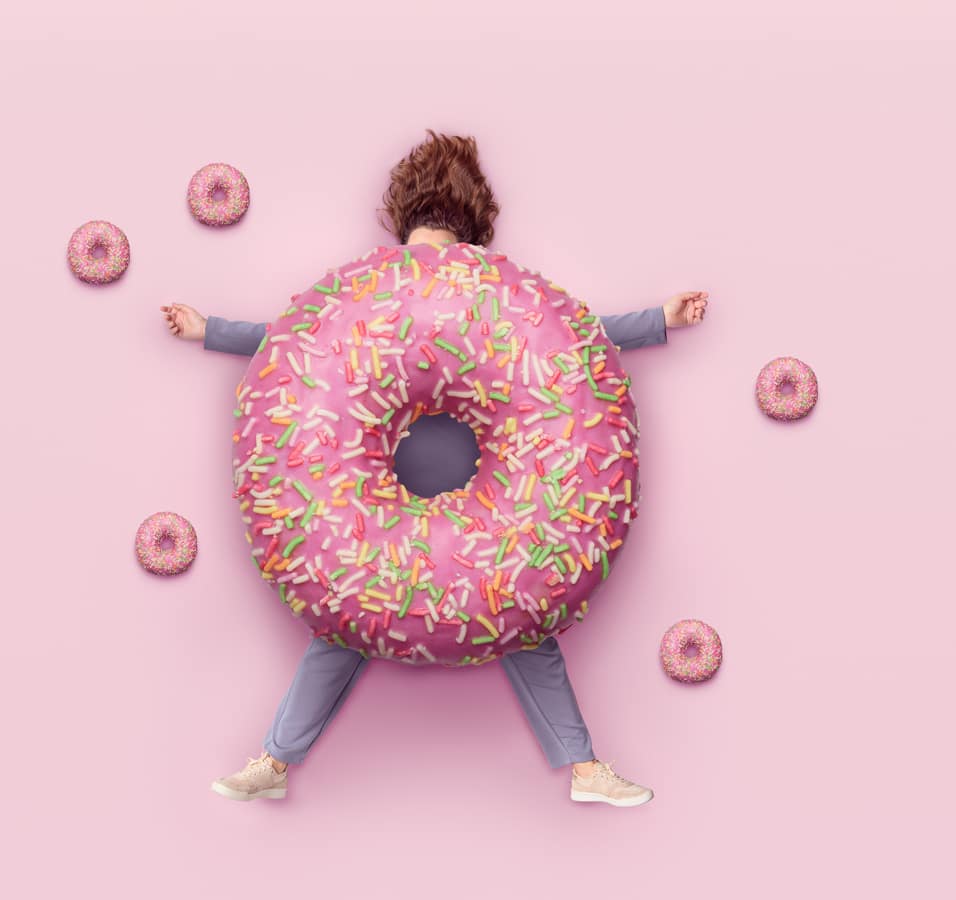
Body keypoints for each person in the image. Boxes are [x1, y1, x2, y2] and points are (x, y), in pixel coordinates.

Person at [159, 131, 708, 807]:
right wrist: (206, 329)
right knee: (430, 613)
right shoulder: (373, 303)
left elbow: (566, 339)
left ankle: (582, 767)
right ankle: (276, 760)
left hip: (485, 510)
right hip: (381, 515)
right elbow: (301, 343)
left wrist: (658, 319)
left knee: (461, 609)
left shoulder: (477, 301)